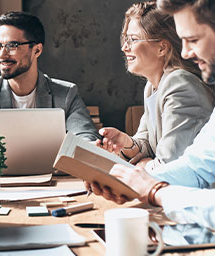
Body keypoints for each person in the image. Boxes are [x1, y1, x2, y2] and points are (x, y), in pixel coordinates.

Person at [90, 0, 215, 229]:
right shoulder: (153, 86)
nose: (186, 52)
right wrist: (131, 177)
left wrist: (150, 185)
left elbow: (172, 162)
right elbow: (196, 166)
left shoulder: (180, 84)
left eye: (194, 39)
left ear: (162, 47)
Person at [0, 11, 99, 144]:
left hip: (51, 175)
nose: (1, 55)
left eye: (12, 46)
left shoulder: (66, 94)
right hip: (0, 176)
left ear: (37, 50)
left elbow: (87, 138)